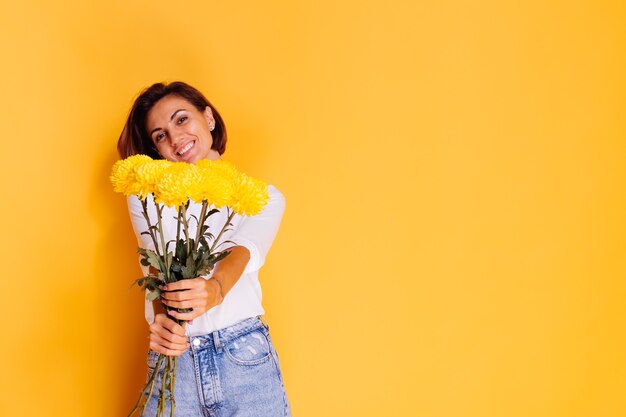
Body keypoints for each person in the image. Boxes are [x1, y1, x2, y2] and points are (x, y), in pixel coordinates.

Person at [117, 81, 291, 417]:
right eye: (159, 135)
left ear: (208, 117)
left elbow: (243, 252)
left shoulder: (263, 197)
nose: (175, 138)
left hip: (243, 355)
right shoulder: (144, 196)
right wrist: (163, 321)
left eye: (181, 120)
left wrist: (216, 288)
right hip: (174, 360)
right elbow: (156, 270)